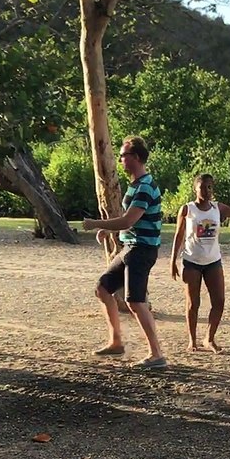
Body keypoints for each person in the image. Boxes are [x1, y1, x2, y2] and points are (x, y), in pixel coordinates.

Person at [81, 136, 166, 369]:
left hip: (141, 250)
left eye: (124, 155)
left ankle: (156, 354)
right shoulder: (136, 185)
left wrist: (97, 224)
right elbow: (130, 223)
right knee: (103, 288)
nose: (120, 160)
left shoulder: (145, 186)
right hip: (130, 247)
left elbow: (129, 219)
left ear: (136, 157)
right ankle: (116, 341)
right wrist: (109, 232)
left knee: (136, 301)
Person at [169, 174, 230, 353]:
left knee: (219, 301)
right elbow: (179, 234)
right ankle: (192, 340)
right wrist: (173, 260)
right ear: (195, 190)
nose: (207, 191)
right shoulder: (187, 209)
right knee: (193, 303)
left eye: (210, 187)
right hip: (192, 261)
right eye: (203, 188)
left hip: (213, 261)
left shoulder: (218, 207)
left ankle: (209, 339)